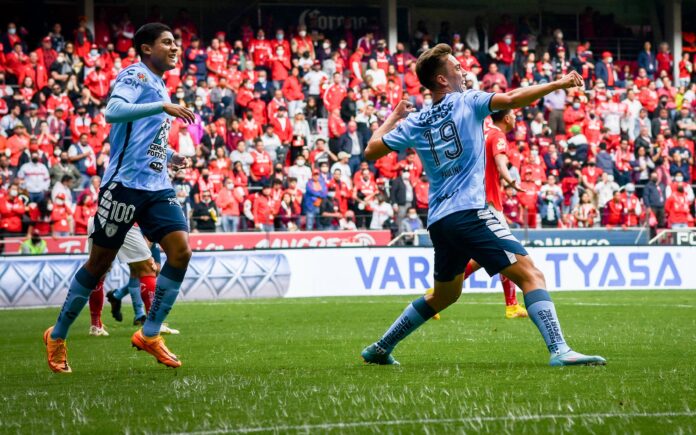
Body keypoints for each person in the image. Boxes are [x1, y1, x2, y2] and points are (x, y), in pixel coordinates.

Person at [360, 43, 605, 367]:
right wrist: (558, 84)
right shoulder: (468, 101)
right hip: (471, 211)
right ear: (442, 80)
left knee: (445, 295)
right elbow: (514, 99)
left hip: (439, 220)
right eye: (455, 67)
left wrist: (393, 117)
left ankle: (380, 347)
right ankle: (560, 350)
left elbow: (370, 151)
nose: (462, 71)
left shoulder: (415, 122)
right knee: (532, 275)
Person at [44, 24, 195, 373]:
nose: (175, 48)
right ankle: (58, 334)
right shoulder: (136, 77)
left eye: (176, 43)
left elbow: (144, 137)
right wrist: (163, 106)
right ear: (146, 49)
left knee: (180, 251)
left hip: (157, 186)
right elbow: (112, 112)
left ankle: (150, 332)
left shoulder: (160, 84)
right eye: (167, 43)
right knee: (98, 266)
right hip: (123, 186)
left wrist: (170, 156)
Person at [422, 108, 528, 319]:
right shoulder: (497, 134)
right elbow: (499, 161)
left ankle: (510, 305)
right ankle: (512, 306)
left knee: (483, 257)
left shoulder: (481, 130)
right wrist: (510, 180)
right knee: (507, 250)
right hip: (487, 201)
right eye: (514, 115)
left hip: (472, 199)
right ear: (507, 118)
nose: (516, 118)